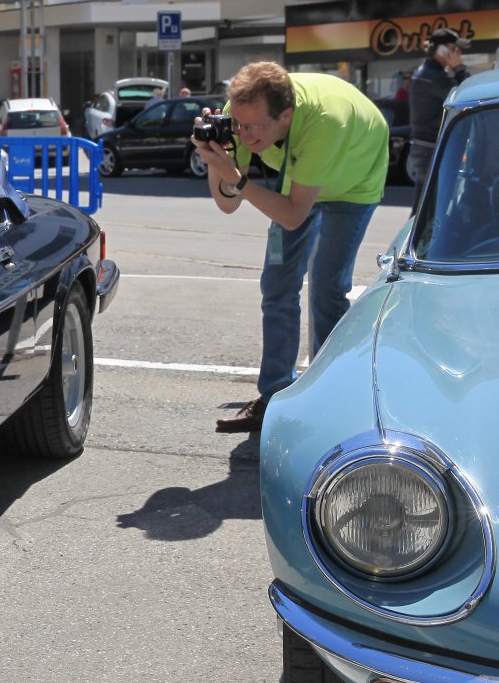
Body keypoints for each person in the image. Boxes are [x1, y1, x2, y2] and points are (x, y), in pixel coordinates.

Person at [192, 61, 388, 433]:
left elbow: (294, 215)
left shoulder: (325, 122)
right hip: (298, 178)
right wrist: (214, 158)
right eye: (239, 125)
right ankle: (274, 395)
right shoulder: (242, 114)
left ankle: (330, 397)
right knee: (277, 286)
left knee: (328, 287)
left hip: (353, 180)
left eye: (252, 128)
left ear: (286, 116)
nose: (244, 135)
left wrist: (238, 178)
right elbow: (228, 204)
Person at [408, 27, 471, 200]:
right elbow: (463, 98)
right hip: (429, 149)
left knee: (430, 205)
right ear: (441, 50)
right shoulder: (432, 76)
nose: (458, 53)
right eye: (454, 48)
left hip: (428, 147)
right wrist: (459, 69)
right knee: (428, 205)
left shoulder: (432, 73)